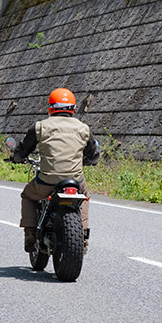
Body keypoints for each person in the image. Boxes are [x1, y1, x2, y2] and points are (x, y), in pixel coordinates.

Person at [11, 88, 99, 253]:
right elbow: (94, 155)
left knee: (27, 195)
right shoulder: (83, 128)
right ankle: (84, 237)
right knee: (84, 197)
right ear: (72, 108)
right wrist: (87, 161)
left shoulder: (40, 127)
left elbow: (23, 150)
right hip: (75, 181)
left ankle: (30, 234)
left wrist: (16, 158)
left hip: (46, 182)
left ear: (51, 107)